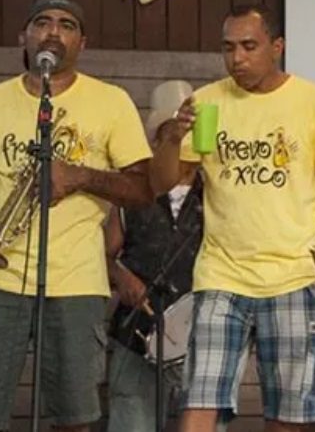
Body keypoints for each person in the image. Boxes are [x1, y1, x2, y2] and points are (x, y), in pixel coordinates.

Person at [0, 0, 154, 432]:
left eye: (66, 24)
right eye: (42, 22)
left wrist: (80, 176)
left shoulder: (112, 101)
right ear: (23, 37)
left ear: (82, 43)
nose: (52, 31)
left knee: (74, 418)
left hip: (76, 282)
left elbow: (142, 190)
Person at [149, 4, 315, 432]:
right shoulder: (206, 101)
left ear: (277, 47)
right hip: (221, 276)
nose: (237, 59)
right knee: (199, 403)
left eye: (249, 46)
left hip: (296, 277)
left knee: (288, 415)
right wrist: (171, 138)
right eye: (228, 48)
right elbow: (162, 183)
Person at [105, 80, 224, 432]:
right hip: (137, 332)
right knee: (131, 419)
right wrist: (121, 277)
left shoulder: (221, 193)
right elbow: (105, 256)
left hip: (205, 329)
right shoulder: (131, 194)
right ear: (158, 138)